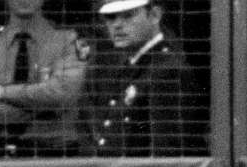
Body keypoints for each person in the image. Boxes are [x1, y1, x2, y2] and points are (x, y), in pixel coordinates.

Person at [80, 0, 207, 156]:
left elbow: (166, 153)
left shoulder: (167, 71)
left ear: (154, 15)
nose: (117, 25)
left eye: (128, 15)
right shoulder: (131, 66)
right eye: (111, 17)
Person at [0, 0, 87, 157]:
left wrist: (3, 93)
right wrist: (42, 99)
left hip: (55, 153)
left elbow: (62, 94)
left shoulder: (68, 41)